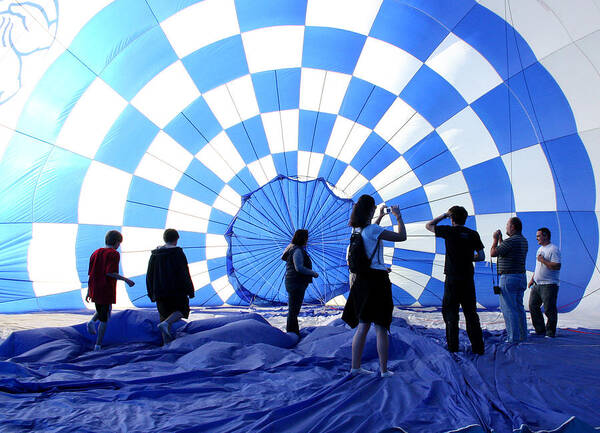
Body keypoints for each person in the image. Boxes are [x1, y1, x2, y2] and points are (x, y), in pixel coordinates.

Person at [342, 195, 407, 378]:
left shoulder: (356, 231)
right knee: (381, 326)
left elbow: (371, 232)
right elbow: (401, 237)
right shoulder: (373, 230)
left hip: (362, 281)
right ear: (370, 210)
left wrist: (379, 216)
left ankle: (355, 367)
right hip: (378, 282)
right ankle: (384, 370)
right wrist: (398, 216)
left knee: (363, 326)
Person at [425, 206, 486, 355]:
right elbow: (482, 256)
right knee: (471, 313)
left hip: (452, 278)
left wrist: (444, 215)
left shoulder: (448, 231)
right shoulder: (473, 234)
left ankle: (453, 347)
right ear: (465, 218)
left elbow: (429, 225)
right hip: (467, 278)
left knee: (451, 313)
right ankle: (478, 348)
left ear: (452, 218)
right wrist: (469, 257)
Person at [86, 230, 135, 351]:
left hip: (95, 288)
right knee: (105, 317)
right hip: (105, 289)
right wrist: (126, 280)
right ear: (117, 242)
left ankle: (92, 322)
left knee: (102, 309)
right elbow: (110, 272)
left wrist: (88, 290)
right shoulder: (113, 254)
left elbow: (90, 274)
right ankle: (98, 344)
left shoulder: (95, 253)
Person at [146, 229, 195, 344]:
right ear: (176, 239)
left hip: (159, 290)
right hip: (176, 290)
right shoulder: (177, 253)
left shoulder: (155, 255)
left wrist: (150, 292)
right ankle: (166, 324)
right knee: (182, 310)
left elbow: (149, 274)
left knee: (163, 315)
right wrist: (190, 290)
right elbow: (184, 272)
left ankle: (166, 344)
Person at [490, 217, 528, 343]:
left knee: (509, 308)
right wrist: (502, 240)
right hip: (521, 276)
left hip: (509, 277)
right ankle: (522, 335)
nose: (506, 227)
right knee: (518, 308)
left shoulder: (511, 241)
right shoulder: (523, 240)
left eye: (507, 225)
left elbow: (493, 253)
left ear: (512, 227)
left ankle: (512, 338)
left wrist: (495, 240)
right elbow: (507, 251)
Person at [281, 229, 319, 335]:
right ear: (303, 238)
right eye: (306, 238)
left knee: (293, 309)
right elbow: (299, 268)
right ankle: (292, 333)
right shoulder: (297, 250)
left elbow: (284, 257)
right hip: (296, 283)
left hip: (292, 281)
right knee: (294, 310)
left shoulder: (291, 248)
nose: (307, 240)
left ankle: (293, 332)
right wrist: (313, 273)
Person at [528, 227, 561, 338]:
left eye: (538, 236)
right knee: (533, 306)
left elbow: (557, 266)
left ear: (545, 235)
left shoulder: (553, 249)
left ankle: (550, 332)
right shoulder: (540, 249)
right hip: (537, 284)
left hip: (549, 284)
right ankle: (540, 329)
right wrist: (532, 279)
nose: (537, 238)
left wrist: (543, 260)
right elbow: (538, 267)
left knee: (549, 309)